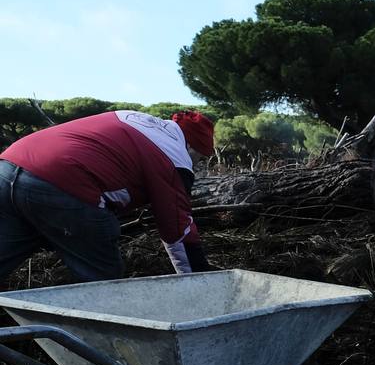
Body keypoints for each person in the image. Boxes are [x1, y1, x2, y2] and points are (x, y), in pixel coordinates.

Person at [0, 109, 215, 282]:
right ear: (191, 147)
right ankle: (91, 334)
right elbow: (178, 229)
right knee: (102, 278)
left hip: (8, 166)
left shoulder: (133, 117)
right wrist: (197, 283)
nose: (197, 165)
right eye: (200, 159)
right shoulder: (176, 156)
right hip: (62, 182)